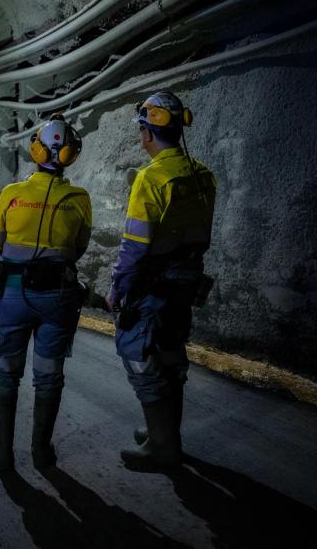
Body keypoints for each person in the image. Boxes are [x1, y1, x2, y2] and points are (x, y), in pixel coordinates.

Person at [104, 90, 217, 471]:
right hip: (187, 279)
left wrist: (118, 288)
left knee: (140, 358)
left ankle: (162, 448)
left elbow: (134, 246)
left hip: (154, 283)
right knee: (171, 355)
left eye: (142, 130)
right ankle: (165, 434)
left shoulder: (151, 178)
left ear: (148, 133)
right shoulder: (203, 175)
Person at [0, 113, 93, 473]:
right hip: (58, 295)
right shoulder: (79, 198)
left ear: (35, 150)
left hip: (13, 292)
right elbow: (78, 249)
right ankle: (42, 454)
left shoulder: (12, 193)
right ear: (70, 155)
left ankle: (2, 452)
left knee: (6, 370)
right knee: (48, 374)